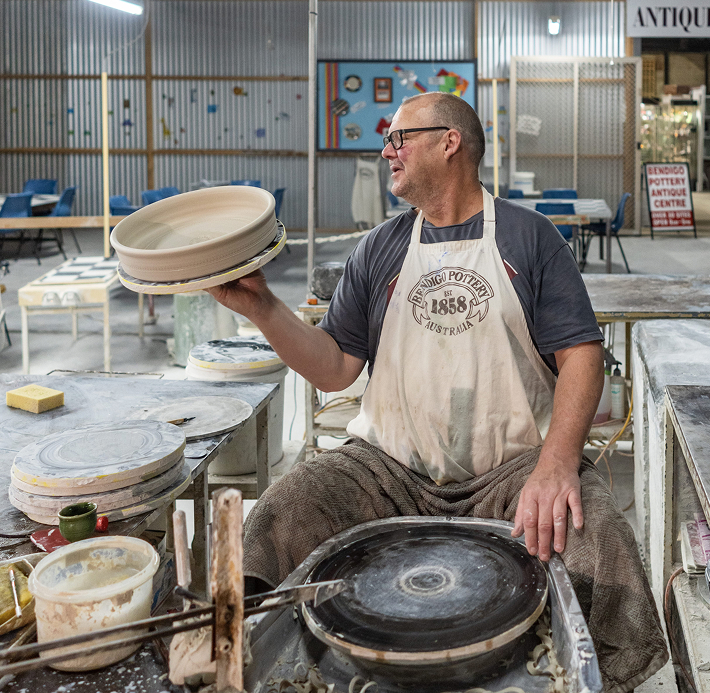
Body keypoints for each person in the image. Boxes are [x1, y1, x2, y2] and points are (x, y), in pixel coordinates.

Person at [207, 92, 668, 693]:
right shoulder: (379, 248)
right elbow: (335, 368)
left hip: (510, 473)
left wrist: (556, 465)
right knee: (280, 512)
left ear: (449, 142)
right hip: (388, 469)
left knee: (596, 534)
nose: (386, 151)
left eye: (399, 138)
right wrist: (264, 308)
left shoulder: (531, 240)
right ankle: (228, 659)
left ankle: (607, 679)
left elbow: (580, 355)